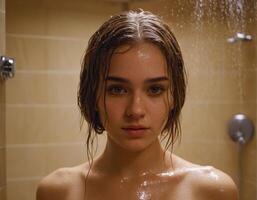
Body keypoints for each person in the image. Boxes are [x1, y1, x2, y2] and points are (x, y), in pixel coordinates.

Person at [36, 9, 238, 200]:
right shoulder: (58, 191)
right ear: (93, 95)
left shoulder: (212, 191)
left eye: (155, 89)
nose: (135, 110)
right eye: (117, 89)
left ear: (174, 96)